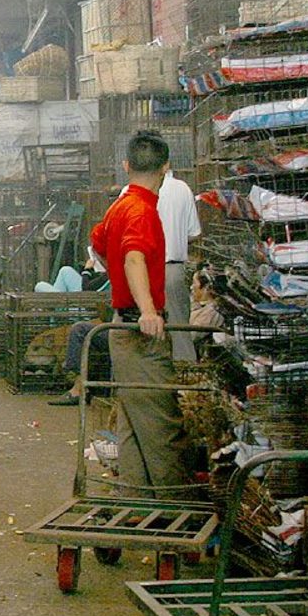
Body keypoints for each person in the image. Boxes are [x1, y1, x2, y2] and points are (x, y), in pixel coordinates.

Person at [89, 130, 192, 496]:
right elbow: (133, 257)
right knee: (163, 426)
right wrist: (148, 309)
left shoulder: (119, 206)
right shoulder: (142, 211)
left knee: (134, 421)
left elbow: (99, 243)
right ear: (166, 166)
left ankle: (132, 499)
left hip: (122, 324)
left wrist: (118, 278)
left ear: (126, 165)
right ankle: (176, 504)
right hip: (140, 328)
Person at [158, 167, 202, 361]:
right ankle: (187, 380)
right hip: (172, 270)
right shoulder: (182, 189)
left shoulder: (130, 190)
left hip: (141, 269)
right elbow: (194, 233)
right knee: (178, 330)